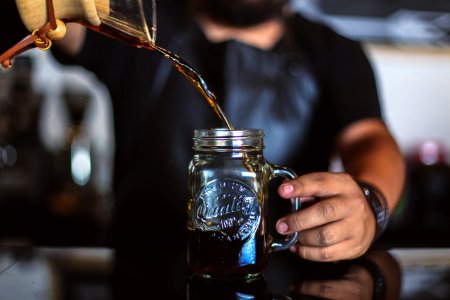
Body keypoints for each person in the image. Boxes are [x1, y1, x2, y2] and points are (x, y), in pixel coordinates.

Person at [1, 0, 405, 262]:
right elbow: (62, 22)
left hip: (283, 275)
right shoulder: (138, 25)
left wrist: (371, 203)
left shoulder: (334, 52)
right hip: (140, 275)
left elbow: (369, 138)